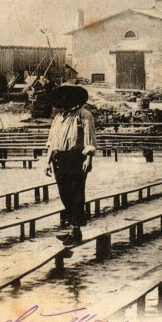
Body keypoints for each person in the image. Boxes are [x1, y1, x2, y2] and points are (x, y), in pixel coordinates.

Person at [44, 83, 97, 246]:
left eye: (69, 97)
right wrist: (47, 162)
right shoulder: (58, 118)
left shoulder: (84, 115)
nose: (65, 100)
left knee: (76, 193)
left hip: (75, 158)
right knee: (64, 194)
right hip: (58, 159)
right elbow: (52, 142)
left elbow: (90, 139)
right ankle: (72, 226)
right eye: (62, 97)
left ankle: (76, 229)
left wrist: (89, 159)